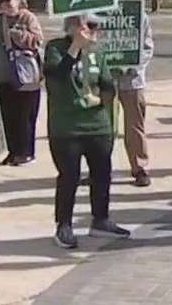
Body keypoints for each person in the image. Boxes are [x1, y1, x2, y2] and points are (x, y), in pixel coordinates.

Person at [43, 13, 130, 249]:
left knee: (102, 173)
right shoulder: (55, 48)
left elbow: (107, 85)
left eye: (95, 27)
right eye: (89, 26)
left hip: (97, 124)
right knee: (69, 176)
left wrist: (101, 98)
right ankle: (64, 226)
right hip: (67, 127)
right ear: (73, 27)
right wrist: (74, 48)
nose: (93, 31)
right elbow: (57, 76)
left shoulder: (97, 52)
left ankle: (100, 220)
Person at [0, 0, 44, 166]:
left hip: (26, 78)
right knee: (6, 117)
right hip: (2, 76)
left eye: (10, 0)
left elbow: (38, 40)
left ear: (19, 1)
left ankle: (26, 152)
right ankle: (13, 151)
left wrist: (19, 35)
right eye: (4, 1)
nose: (7, 5)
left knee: (24, 117)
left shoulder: (28, 18)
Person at [112, 0, 155, 187]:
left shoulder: (141, 16)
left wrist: (133, 65)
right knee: (103, 127)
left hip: (133, 80)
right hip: (107, 80)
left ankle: (139, 167)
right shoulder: (101, 14)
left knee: (135, 126)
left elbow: (147, 47)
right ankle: (99, 168)